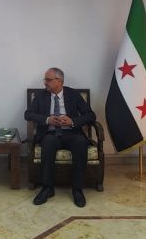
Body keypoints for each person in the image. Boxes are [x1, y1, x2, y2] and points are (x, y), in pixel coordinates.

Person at [24, 67, 96, 207]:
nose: (45, 82)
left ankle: (77, 189)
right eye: (45, 79)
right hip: (50, 133)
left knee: (80, 143)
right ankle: (47, 188)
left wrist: (72, 121)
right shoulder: (40, 95)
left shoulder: (73, 94)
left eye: (48, 80)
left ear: (59, 81)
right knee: (48, 143)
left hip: (72, 133)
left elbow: (90, 115)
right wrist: (47, 120)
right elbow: (28, 114)